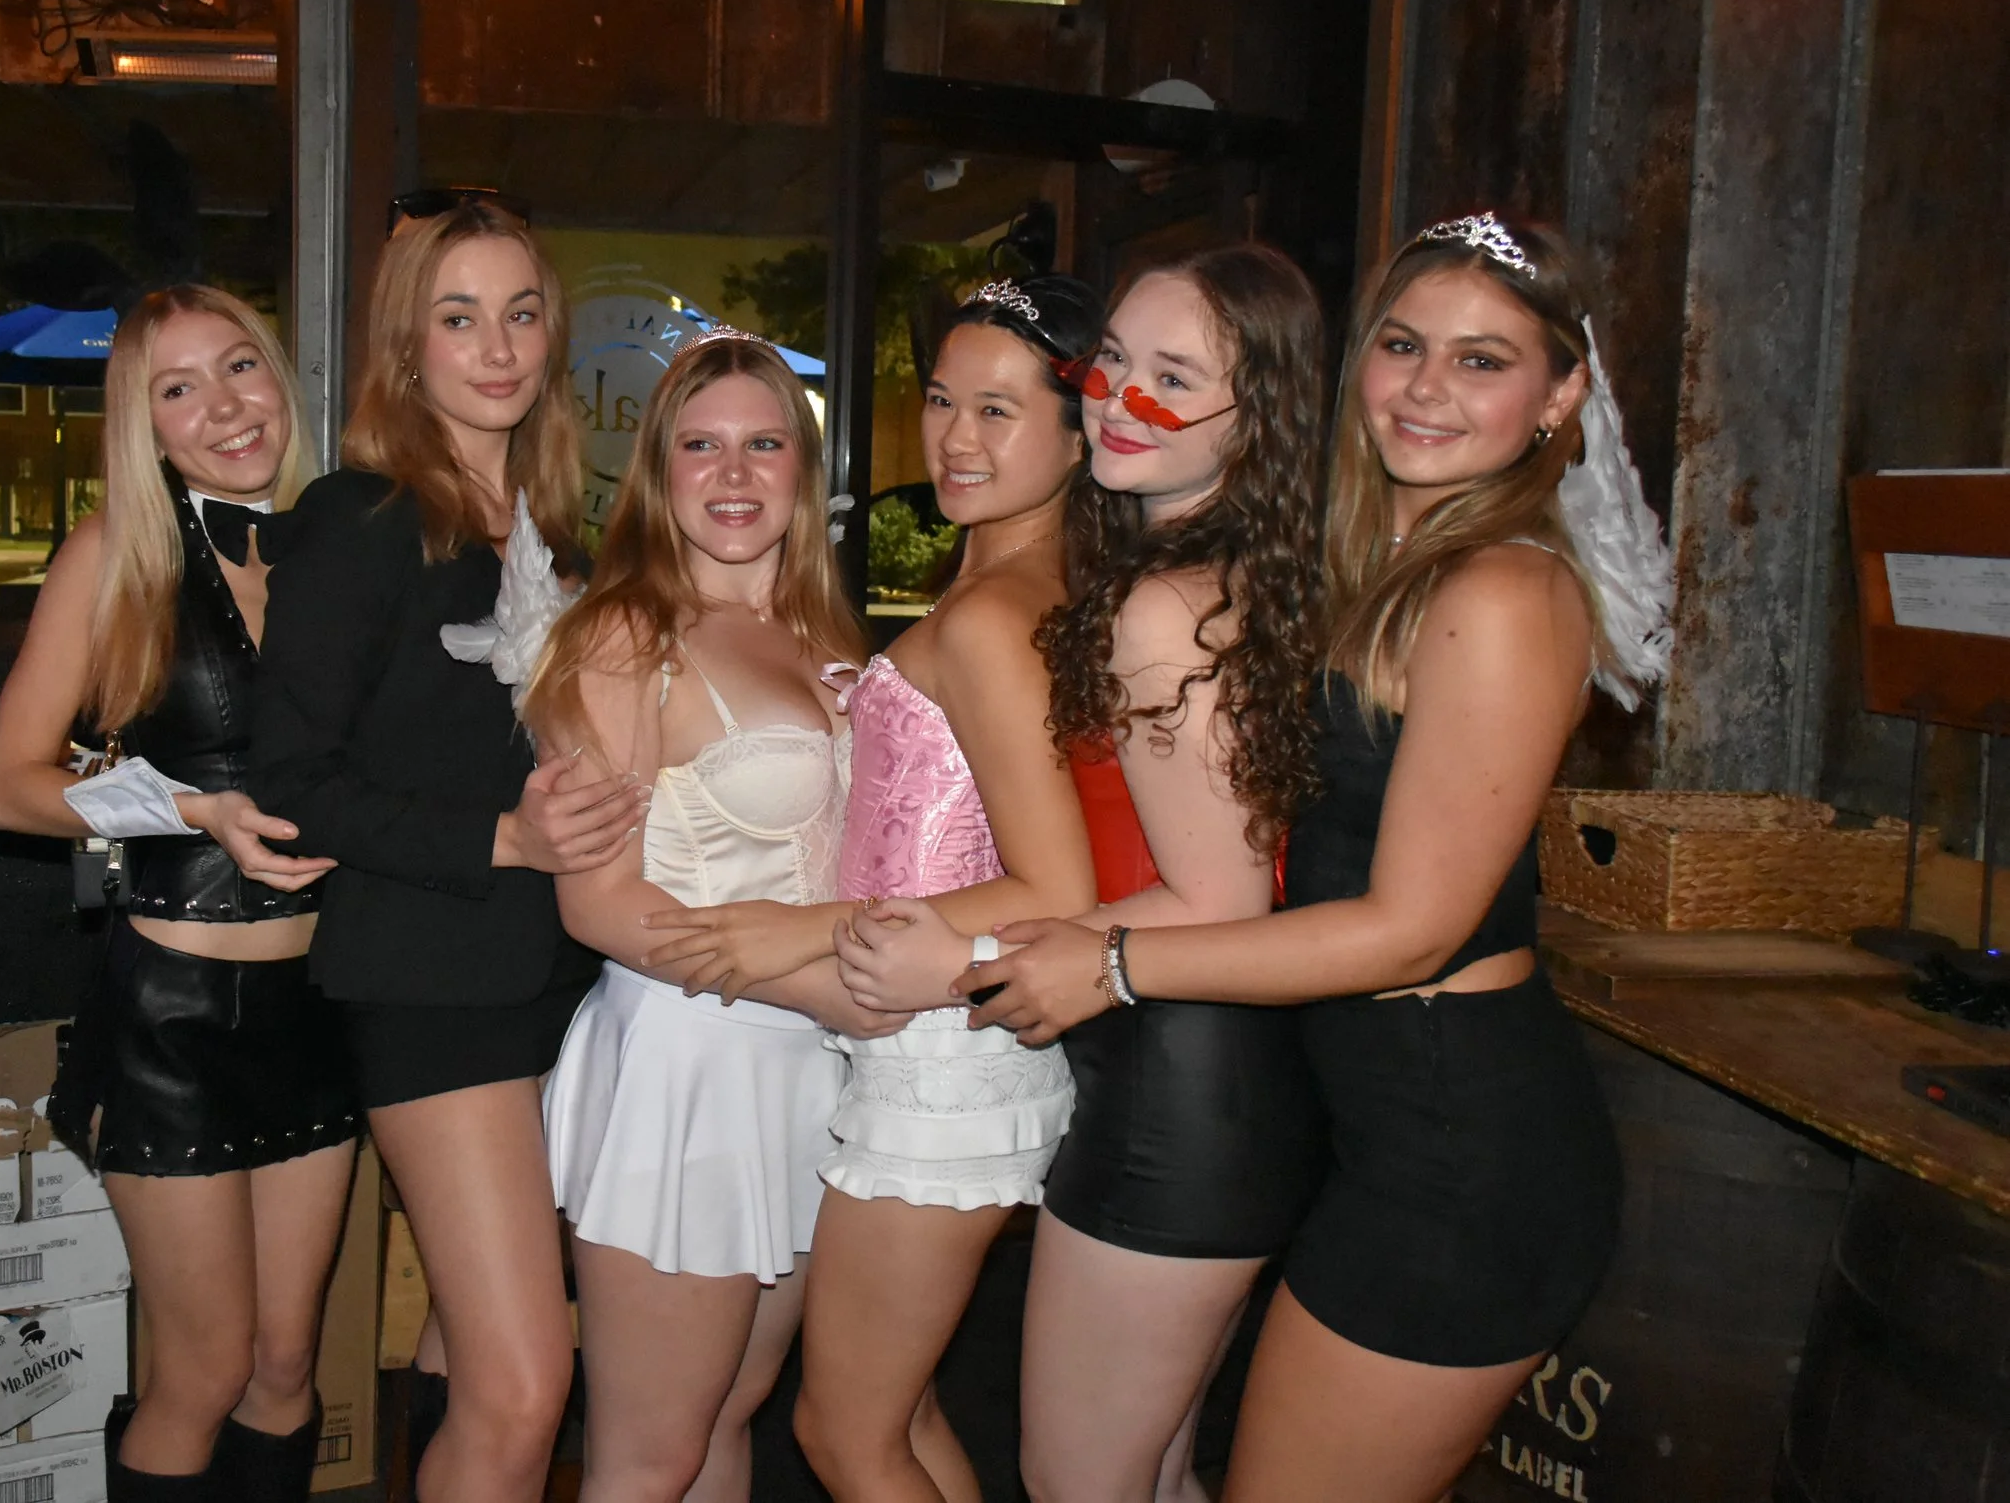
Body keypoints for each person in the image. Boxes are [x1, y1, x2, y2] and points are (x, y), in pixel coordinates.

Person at [960, 214, 1673, 1503]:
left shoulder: (1503, 590)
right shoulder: (1380, 563)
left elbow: (1410, 927)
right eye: (1402, 345)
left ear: (1561, 390)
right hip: (1377, 1131)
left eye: (1482, 360)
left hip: (1462, 1153)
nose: (1424, 387)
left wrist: (1113, 960)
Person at [844, 245, 1335, 1502]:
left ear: (1257, 415)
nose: (1122, 397)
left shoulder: (1161, 602)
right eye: (1113, 361)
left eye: (1174, 376)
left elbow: (1219, 898)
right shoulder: (1177, 572)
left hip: (1182, 1089)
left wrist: (964, 955)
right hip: (1197, 1076)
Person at [649, 275, 1103, 1502]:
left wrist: (798, 928)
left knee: (844, 1435)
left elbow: (1053, 877)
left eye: (1000, 410)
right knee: (894, 1418)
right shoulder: (1003, 587)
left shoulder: (996, 612)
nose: (957, 436)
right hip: (935, 1051)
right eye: (944, 401)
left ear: (1078, 434)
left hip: (945, 1063)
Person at [249, 200, 646, 1503]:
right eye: (459, 315)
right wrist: (505, 835)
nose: (497, 345)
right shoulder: (358, 519)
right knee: (531, 1381)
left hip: (559, 980)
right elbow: (292, 785)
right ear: (406, 343)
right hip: (428, 987)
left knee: (473, 1353)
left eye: (522, 312)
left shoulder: (560, 532)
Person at [0, 284, 358, 1503]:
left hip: (320, 1005)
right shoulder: (115, 552)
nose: (222, 407)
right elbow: (8, 788)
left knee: (290, 1364)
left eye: (239, 367)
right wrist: (188, 808)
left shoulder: (344, 541)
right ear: (142, 423)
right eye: (177, 388)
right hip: (173, 1019)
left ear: (279, 378)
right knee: (203, 1367)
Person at [530, 328, 905, 1503]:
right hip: (690, 1063)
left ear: (804, 470)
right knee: (648, 1454)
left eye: (762, 444)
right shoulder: (622, 634)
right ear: (656, 469)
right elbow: (597, 901)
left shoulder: (828, 636)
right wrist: (828, 982)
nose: (733, 474)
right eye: (700, 445)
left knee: (732, 1411)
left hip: (815, 1066)